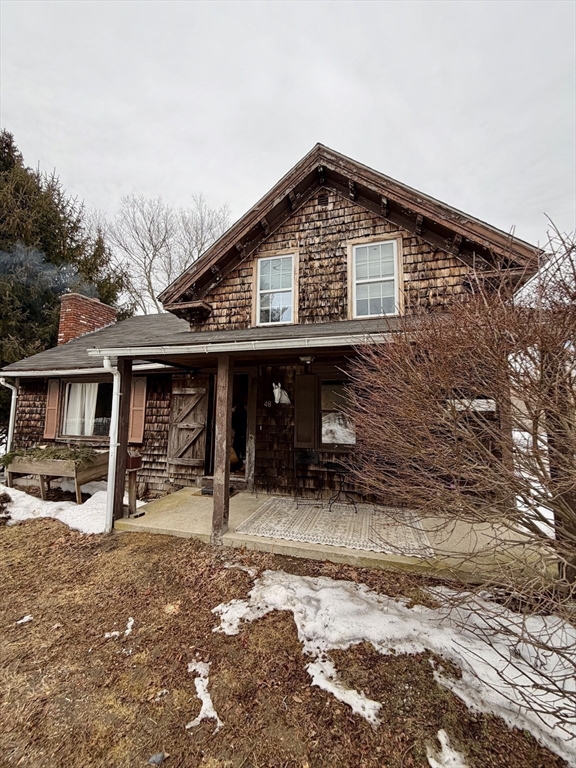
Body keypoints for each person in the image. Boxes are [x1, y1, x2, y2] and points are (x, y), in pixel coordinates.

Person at [231, 402, 247, 471]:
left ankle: (241, 465)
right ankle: (241, 465)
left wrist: (232, 412)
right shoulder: (245, 412)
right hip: (242, 433)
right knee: (241, 450)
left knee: (237, 449)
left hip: (239, 433)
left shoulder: (238, 413)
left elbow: (233, 424)